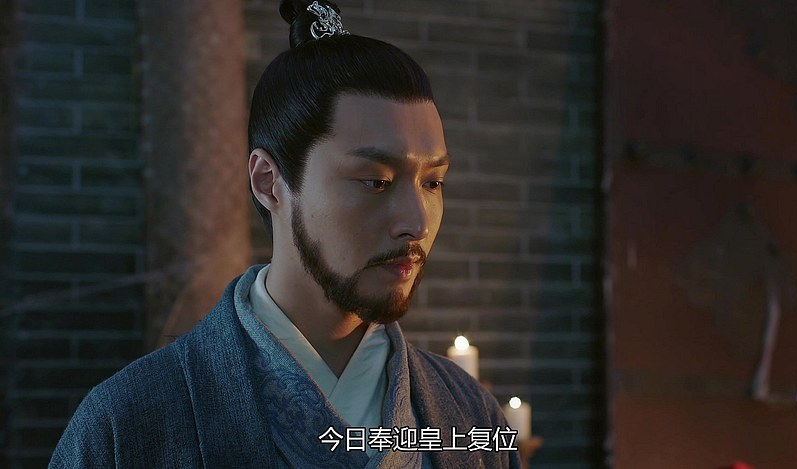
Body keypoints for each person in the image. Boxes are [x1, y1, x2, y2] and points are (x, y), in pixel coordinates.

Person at [50, 1, 521, 467]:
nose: (416, 223)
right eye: (375, 182)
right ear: (269, 182)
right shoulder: (125, 425)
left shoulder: (469, 414)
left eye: (433, 183)